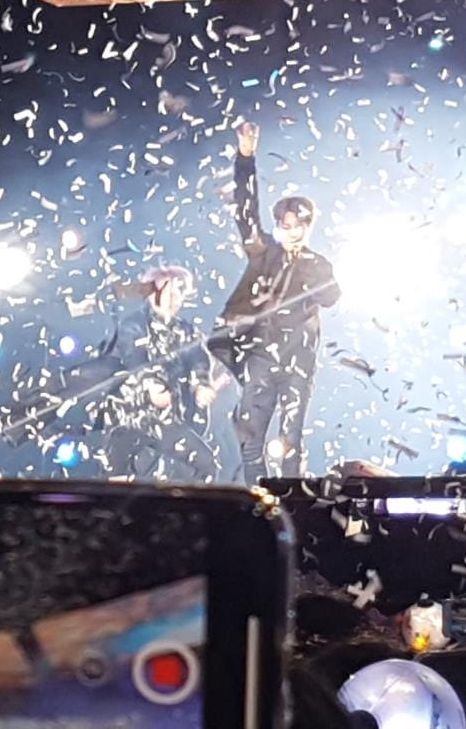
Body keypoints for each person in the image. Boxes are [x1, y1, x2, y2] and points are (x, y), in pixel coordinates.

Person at [209, 122, 341, 485]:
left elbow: (332, 297)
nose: (291, 230)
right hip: (260, 358)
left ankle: (293, 506)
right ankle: (259, 503)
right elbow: (245, 211)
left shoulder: (317, 264)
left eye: (298, 224)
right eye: (285, 223)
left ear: (308, 226)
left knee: (291, 441)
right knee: (250, 440)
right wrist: (246, 158)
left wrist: (312, 273)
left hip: (297, 362)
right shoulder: (263, 252)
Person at [101, 265, 221, 482]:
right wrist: (153, 385)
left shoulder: (186, 330)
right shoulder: (133, 324)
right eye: (169, 293)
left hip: (166, 419)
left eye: (178, 293)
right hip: (129, 416)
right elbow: (135, 358)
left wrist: (201, 383)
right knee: (118, 475)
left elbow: (198, 359)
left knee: (206, 465)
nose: (175, 298)